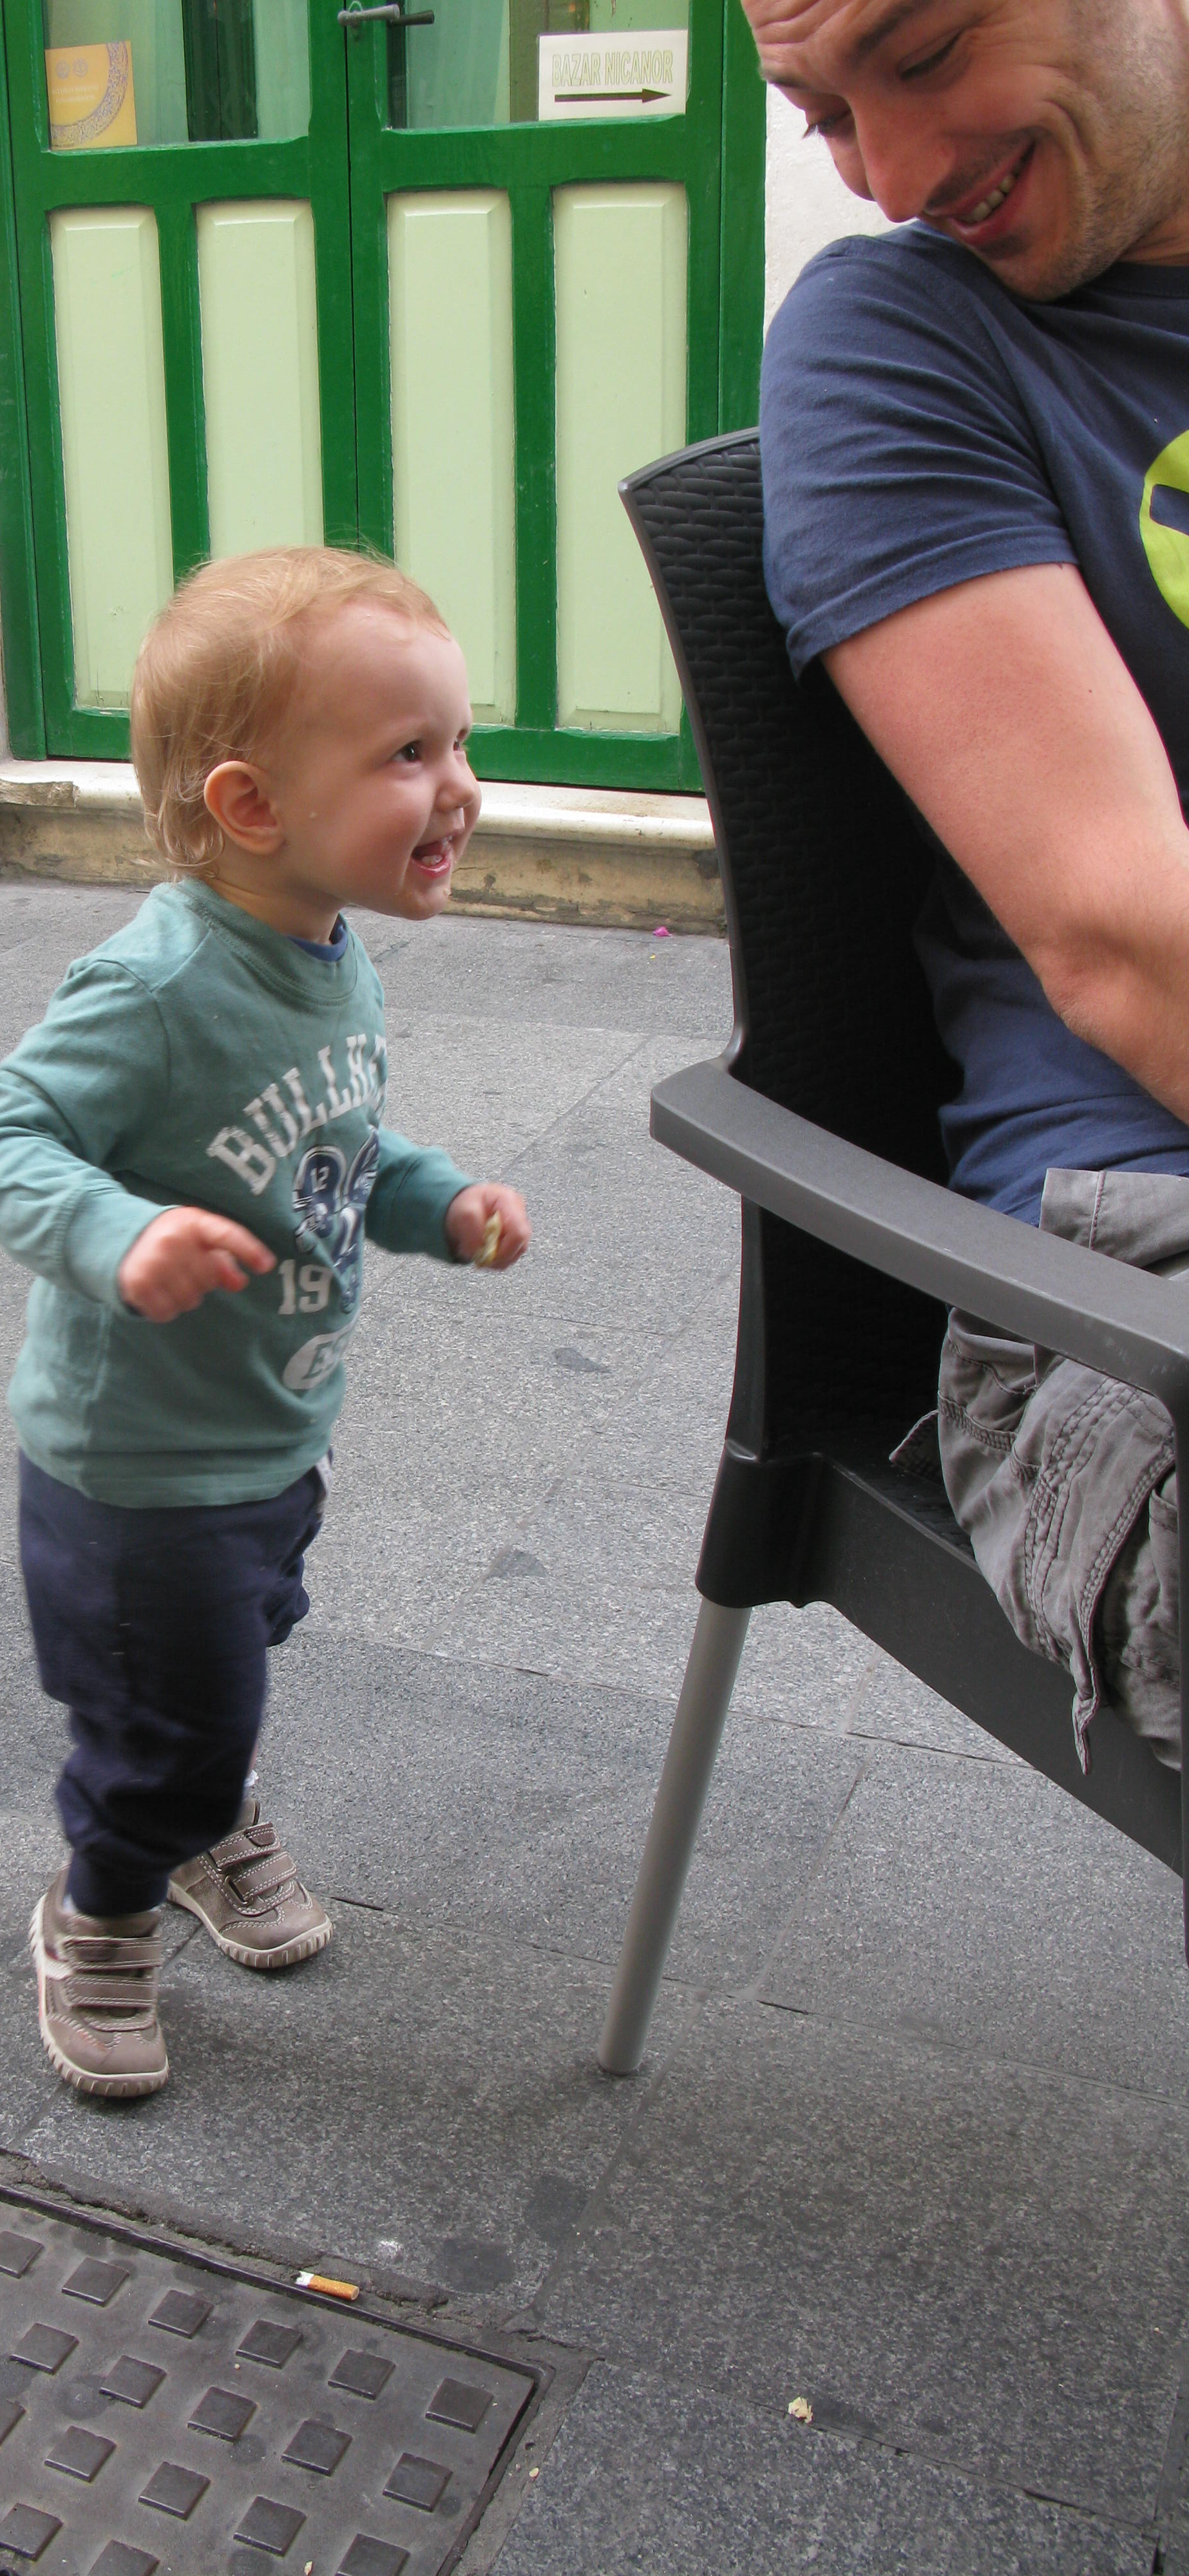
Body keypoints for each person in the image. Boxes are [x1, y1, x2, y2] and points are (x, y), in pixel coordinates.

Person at [0, 549, 531, 2096]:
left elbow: (343, 1150)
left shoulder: (328, 956)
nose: (461, 785)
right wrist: (120, 1231)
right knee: (166, 1718)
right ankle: (103, 1905)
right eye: (409, 753)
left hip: (268, 1429)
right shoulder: (153, 986)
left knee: (230, 1660)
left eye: (460, 741)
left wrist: (439, 1202)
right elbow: (5, 1140)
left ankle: (199, 1812)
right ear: (253, 806)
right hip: (138, 1470)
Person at [750, 0, 1189, 1768]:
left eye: (926, 54)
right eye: (823, 114)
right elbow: (1126, 937)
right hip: (1132, 1265)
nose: (894, 177)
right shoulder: (896, 339)